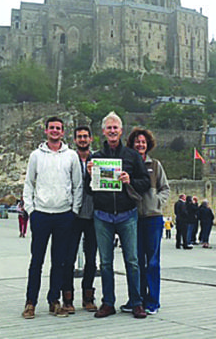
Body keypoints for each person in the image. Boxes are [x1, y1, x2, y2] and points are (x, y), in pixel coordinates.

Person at [86, 112, 151, 319]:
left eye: (116, 128)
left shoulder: (132, 156)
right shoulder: (95, 157)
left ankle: (137, 302)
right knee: (105, 262)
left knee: (132, 260)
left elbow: (145, 183)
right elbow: (88, 191)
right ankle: (108, 302)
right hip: (102, 215)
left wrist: (129, 179)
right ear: (103, 132)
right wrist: (89, 175)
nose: (112, 131)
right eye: (109, 128)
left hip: (127, 214)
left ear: (121, 131)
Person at [21, 116, 83, 319]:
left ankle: (54, 300)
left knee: (60, 261)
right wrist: (31, 209)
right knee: (36, 261)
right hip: (41, 214)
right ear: (46, 131)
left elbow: (77, 185)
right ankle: (30, 302)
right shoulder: (36, 156)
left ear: (63, 132)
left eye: (58, 128)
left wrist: (74, 210)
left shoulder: (71, 156)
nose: (55, 131)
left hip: (64, 215)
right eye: (52, 128)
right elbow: (29, 183)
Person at [124, 127, 170, 315]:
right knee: (136, 262)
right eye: (137, 142)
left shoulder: (156, 165)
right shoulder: (127, 165)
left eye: (143, 142)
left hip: (152, 218)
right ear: (132, 144)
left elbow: (165, 188)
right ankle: (137, 299)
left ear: (147, 144)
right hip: (133, 218)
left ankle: (153, 301)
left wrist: (156, 202)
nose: (140, 145)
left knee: (152, 262)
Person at [61, 126, 98, 313]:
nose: (83, 139)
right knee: (68, 259)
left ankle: (88, 296)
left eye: (85, 136)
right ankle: (67, 298)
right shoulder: (68, 159)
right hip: (72, 215)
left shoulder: (98, 159)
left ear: (91, 139)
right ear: (75, 140)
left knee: (91, 259)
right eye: (79, 137)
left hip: (92, 215)